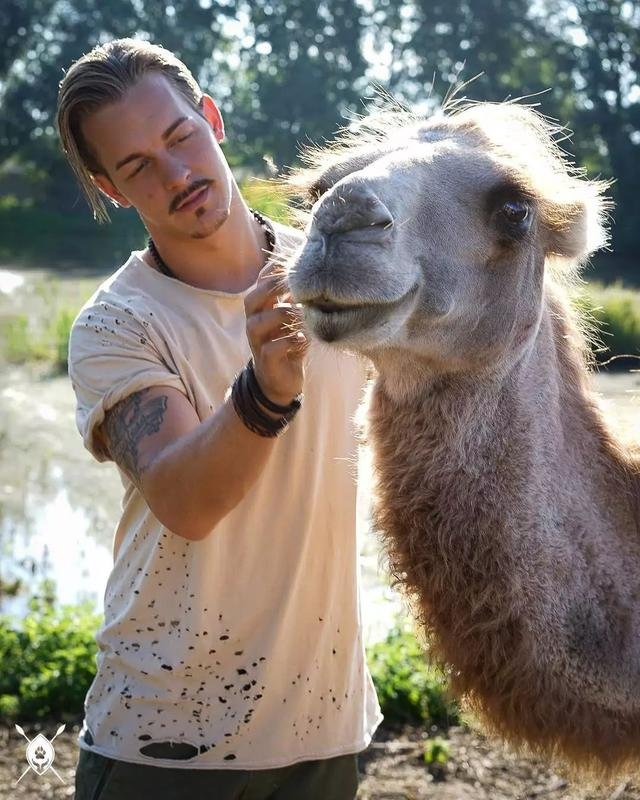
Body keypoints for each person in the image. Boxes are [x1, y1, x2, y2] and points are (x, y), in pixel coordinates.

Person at [58, 38, 382, 799]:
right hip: (165, 744)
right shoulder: (115, 325)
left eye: (180, 137)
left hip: (324, 728)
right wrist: (264, 391)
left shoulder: (336, 277)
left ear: (212, 117)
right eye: (138, 166)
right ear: (110, 188)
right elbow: (186, 502)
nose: (176, 174)